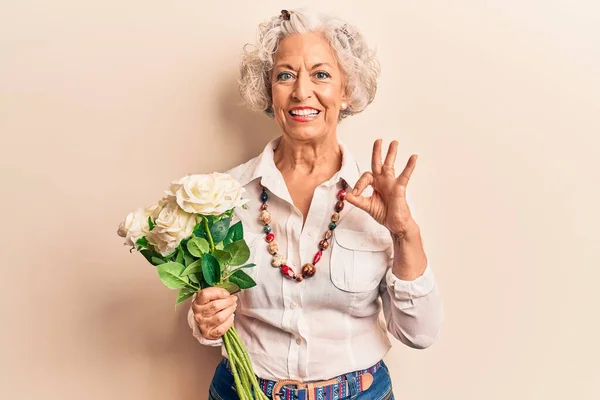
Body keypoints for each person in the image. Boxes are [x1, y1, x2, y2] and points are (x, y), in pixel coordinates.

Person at [188, 8, 443, 400]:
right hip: (243, 391)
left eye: (321, 74)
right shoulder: (226, 194)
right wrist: (204, 318)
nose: (301, 91)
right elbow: (208, 312)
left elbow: (419, 333)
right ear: (269, 92)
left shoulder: (379, 197)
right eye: (285, 75)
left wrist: (404, 233)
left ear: (347, 91)